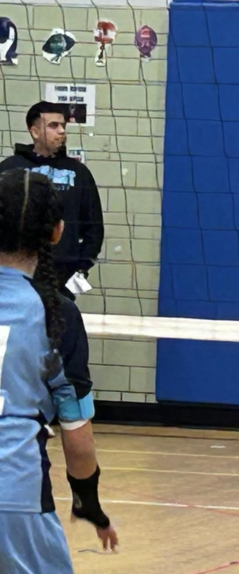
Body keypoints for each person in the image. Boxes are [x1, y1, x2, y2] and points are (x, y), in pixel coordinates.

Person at [0, 168, 118, 573]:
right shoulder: (55, 315)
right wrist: (89, 503)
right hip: (12, 495)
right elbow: (77, 441)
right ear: (57, 232)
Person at [0, 101, 104, 300]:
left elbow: (94, 228)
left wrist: (79, 271)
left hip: (61, 279)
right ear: (35, 132)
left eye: (63, 125)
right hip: (12, 275)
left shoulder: (79, 173)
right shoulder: (8, 169)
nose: (61, 131)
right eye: (53, 126)